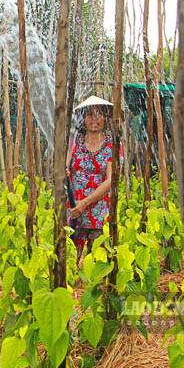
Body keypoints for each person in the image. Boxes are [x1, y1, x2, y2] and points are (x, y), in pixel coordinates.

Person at [67, 95, 123, 260]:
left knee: (99, 262)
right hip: (74, 208)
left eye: (98, 114)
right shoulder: (74, 142)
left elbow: (111, 181)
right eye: (90, 114)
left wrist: (86, 203)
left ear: (105, 117)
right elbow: (64, 167)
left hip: (100, 210)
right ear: (83, 118)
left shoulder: (113, 145)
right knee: (70, 260)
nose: (94, 119)